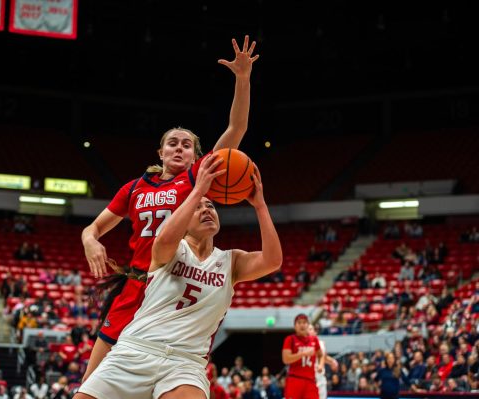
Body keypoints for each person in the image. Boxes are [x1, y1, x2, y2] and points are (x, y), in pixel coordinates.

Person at [80, 35, 259, 382]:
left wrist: (242, 79)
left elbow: (237, 128)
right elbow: (94, 228)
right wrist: (90, 239)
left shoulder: (196, 179)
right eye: (172, 144)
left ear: (196, 155)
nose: (179, 149)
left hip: (175, 285)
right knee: (93, 380)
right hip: (137, 283)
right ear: (160, 153)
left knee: (166, 376)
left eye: (187, 145)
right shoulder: (133, 188)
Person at [76, 155, 282, 398]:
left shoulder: (231, 261)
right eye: (197, 208)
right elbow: (165, 237)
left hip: (185, 363)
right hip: (137, 349)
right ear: (183, 220)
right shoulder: (170, 248)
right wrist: (198, 191)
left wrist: (260, 205)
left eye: (211, 206)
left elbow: (272, 260)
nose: (206, 209)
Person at [282, 315, 324, 399]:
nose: (302, 325)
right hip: (294, 380)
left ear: (308, 325)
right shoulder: (290, 339)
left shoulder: (314, 340)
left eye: (304, 322)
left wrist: (321, 365)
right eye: (299, 323)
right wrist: (303, 354)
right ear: (295, 326)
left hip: (310, 381)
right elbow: (286, 359)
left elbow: (321, 355)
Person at [308, 325, 337, 399]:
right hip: (307, 380)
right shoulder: (302, 345)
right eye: (307, 329)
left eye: (310, 329)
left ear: (315, 332)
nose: (308, 331)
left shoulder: (320, 343)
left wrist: (332, 361)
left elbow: (323, 356)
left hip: (319, 380)